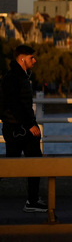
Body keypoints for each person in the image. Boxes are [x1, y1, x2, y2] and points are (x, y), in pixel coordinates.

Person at [1, 44, 47, 213]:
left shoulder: (20, 76)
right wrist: (30, 125)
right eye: (31, 58)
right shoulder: (13, 78)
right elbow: (14, 105)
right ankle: (32, 201)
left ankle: (33, 200)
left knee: (33, 161)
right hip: (17, 129)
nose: (34, 61)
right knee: (10, 166)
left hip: (20, 128)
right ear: (22, 58)